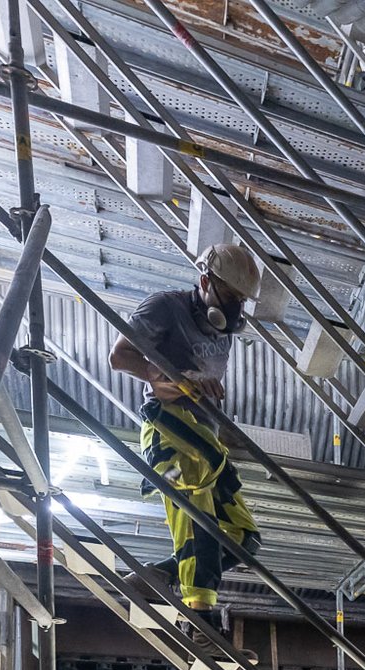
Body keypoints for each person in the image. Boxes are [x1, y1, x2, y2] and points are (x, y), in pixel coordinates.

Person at [109, 243, 265, 649]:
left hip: (205, 431)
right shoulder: (164, 308)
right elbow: (119, 357)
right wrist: (161, 374)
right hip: (167, 425)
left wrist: (214, 400)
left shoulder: (224, 333)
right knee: (199, 520)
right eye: (230, 297)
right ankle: (200, 623)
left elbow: (204, 379)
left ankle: (157, 576)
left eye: (241, 301)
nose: (235, 309)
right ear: (205, 282)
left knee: (244, 538)